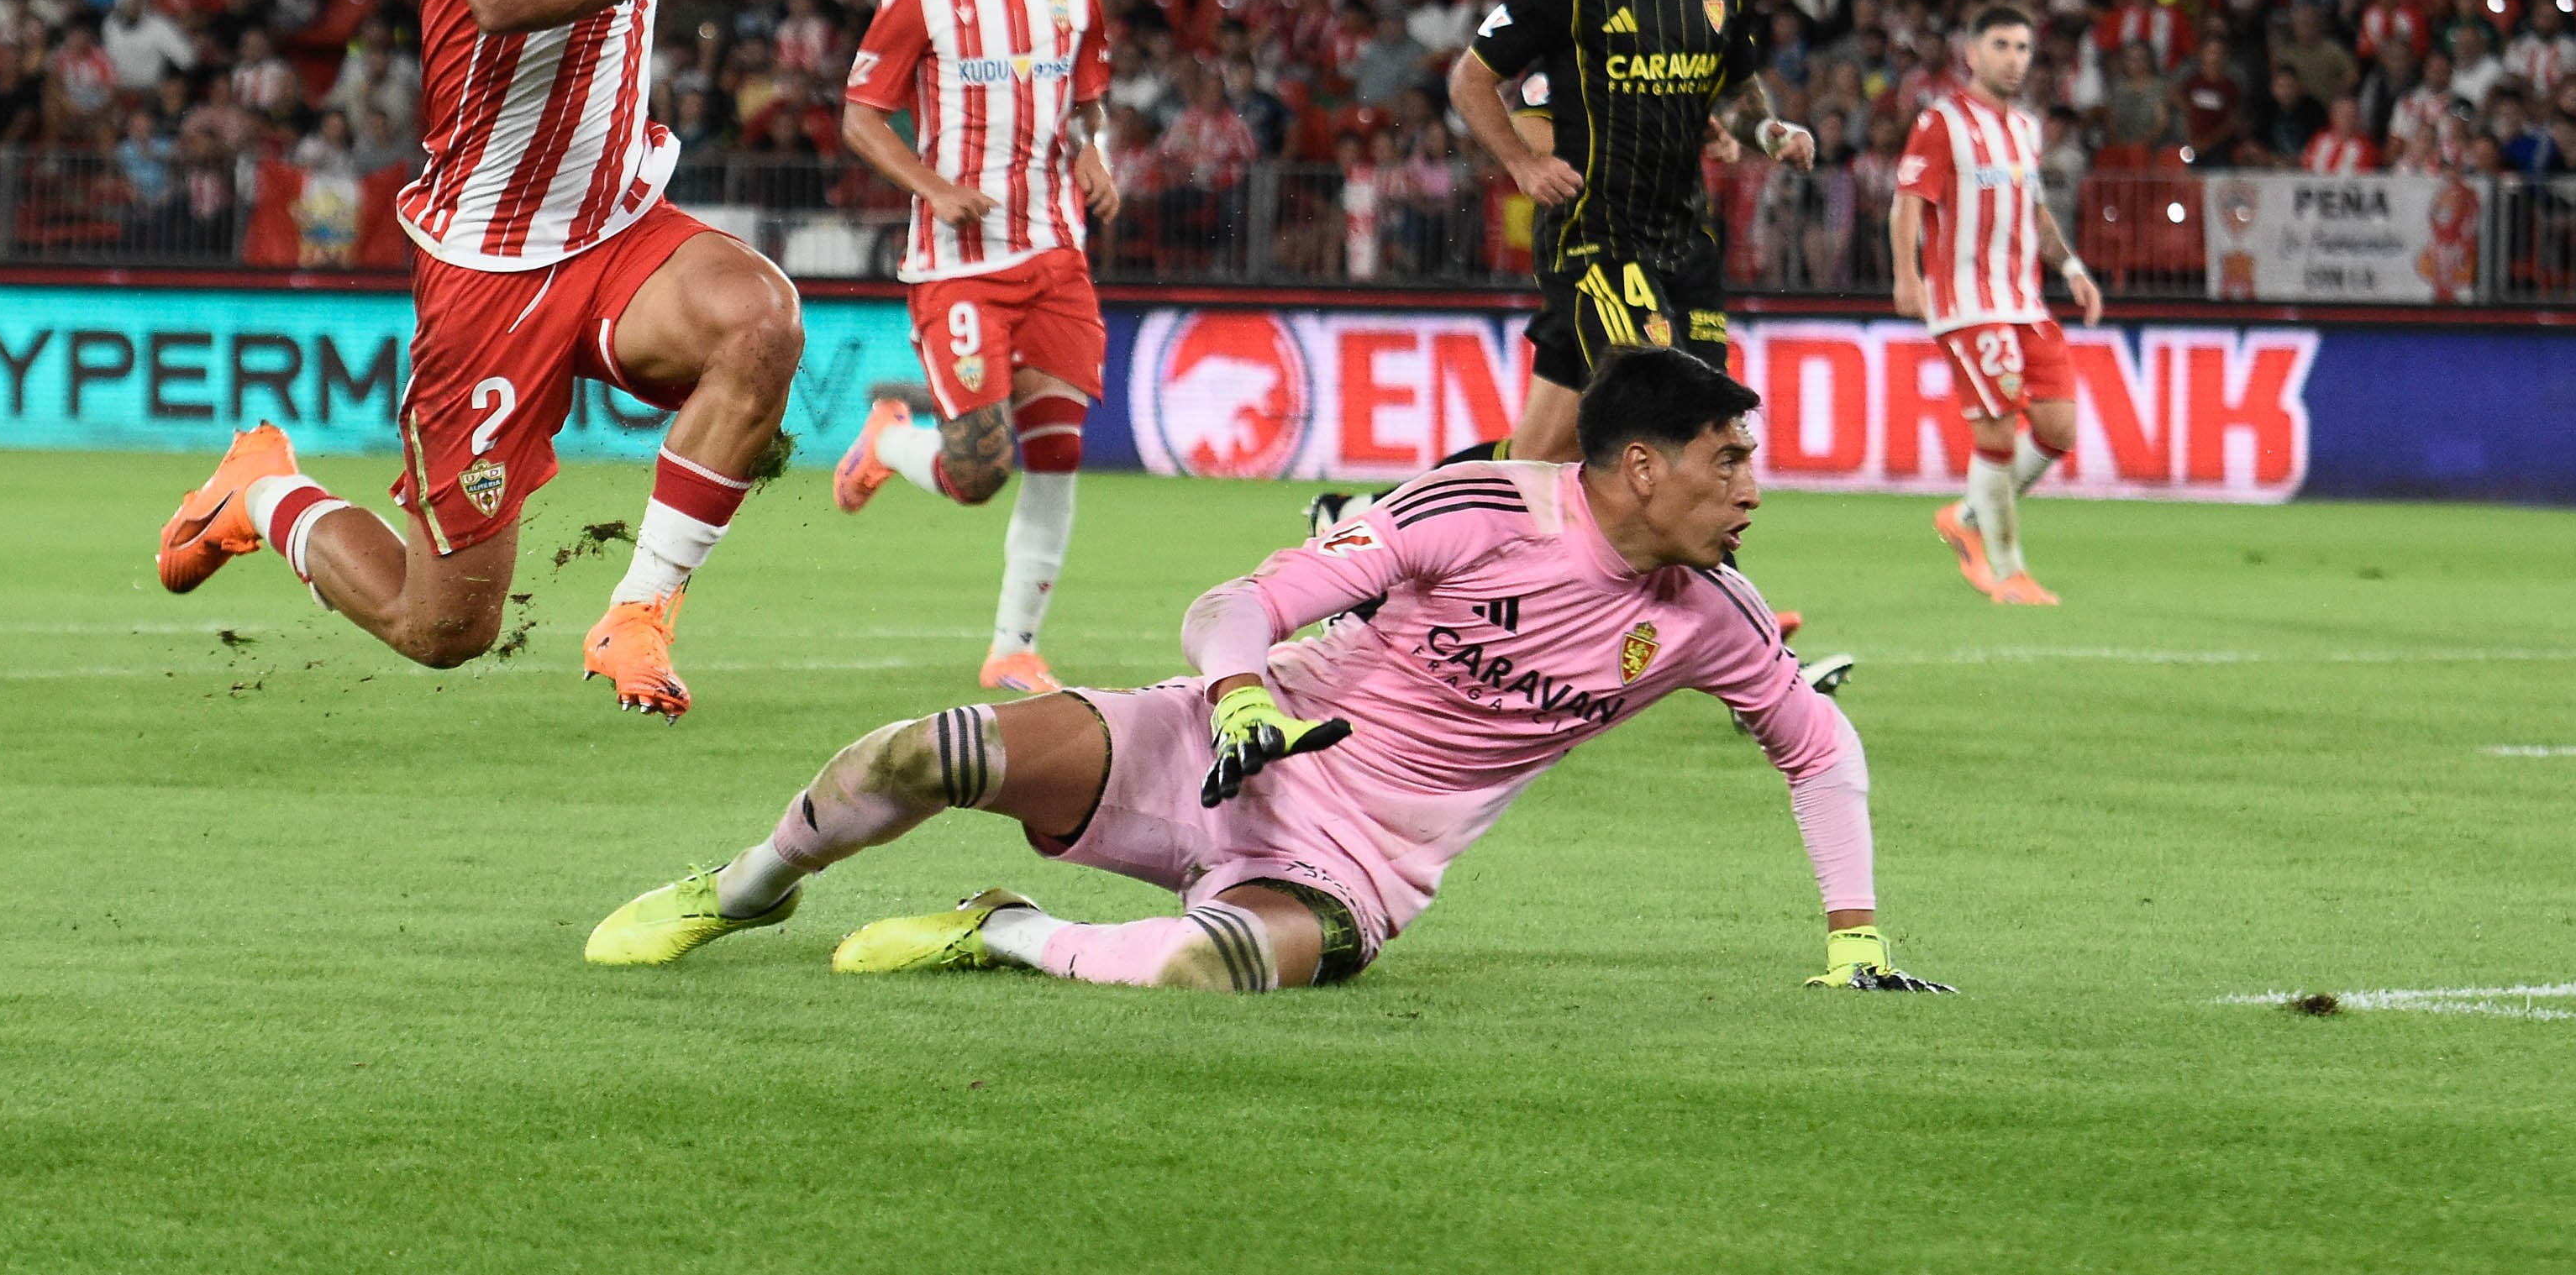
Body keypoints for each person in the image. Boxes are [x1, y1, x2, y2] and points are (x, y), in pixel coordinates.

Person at [585, 349, 1946, 996]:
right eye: (1729, 459)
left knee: (1209, 968)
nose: (1750, 489)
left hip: (1360, 864)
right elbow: (1239, 600)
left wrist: (1855, 933)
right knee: (924, 750)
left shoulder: (1708, 614)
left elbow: (1815, 744)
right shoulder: (1476, 510)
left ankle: (1000, 928)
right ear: (1642, 466)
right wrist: (1240, 696)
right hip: (1219, 743)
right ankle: (745, 889)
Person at [153, 0, 805, 723]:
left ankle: (637, 611)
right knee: (444, 627)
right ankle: (262, 492)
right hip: (492, 273)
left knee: (760, 320)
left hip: (614, 232)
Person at [1407, 0, 1816, 480]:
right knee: (1673, 415)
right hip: (1596, 237)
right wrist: (1522, 164)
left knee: (1542, 454)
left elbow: (1739, 97)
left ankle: (1377, 515)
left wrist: (1772, 134)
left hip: (1684, 240)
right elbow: (1469, 79)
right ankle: (1695, 559)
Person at [825, 0, 1122, 694]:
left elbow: (1087, 103)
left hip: (1055, 253)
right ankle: (890, 440)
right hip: (958, 264)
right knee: (980, 469)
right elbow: (860, 118)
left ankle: (1012, 646)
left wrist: (1095, 154)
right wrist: (933, 186)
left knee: (1058, 453)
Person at [1890, 5, 2106, 606]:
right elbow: (1908, 200)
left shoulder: (2027, 128)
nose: (2014, 59)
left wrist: (2072, 268)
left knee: (2058, 429)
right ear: (1972, 53)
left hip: (2025, 299)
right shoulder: (1942, 121)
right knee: (1998, 432)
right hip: (1969, 302)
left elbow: (2032, 208)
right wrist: (1906, 275)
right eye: (2001, 45)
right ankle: (2009, 573)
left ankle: (1964, 516)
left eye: (2022, 48)